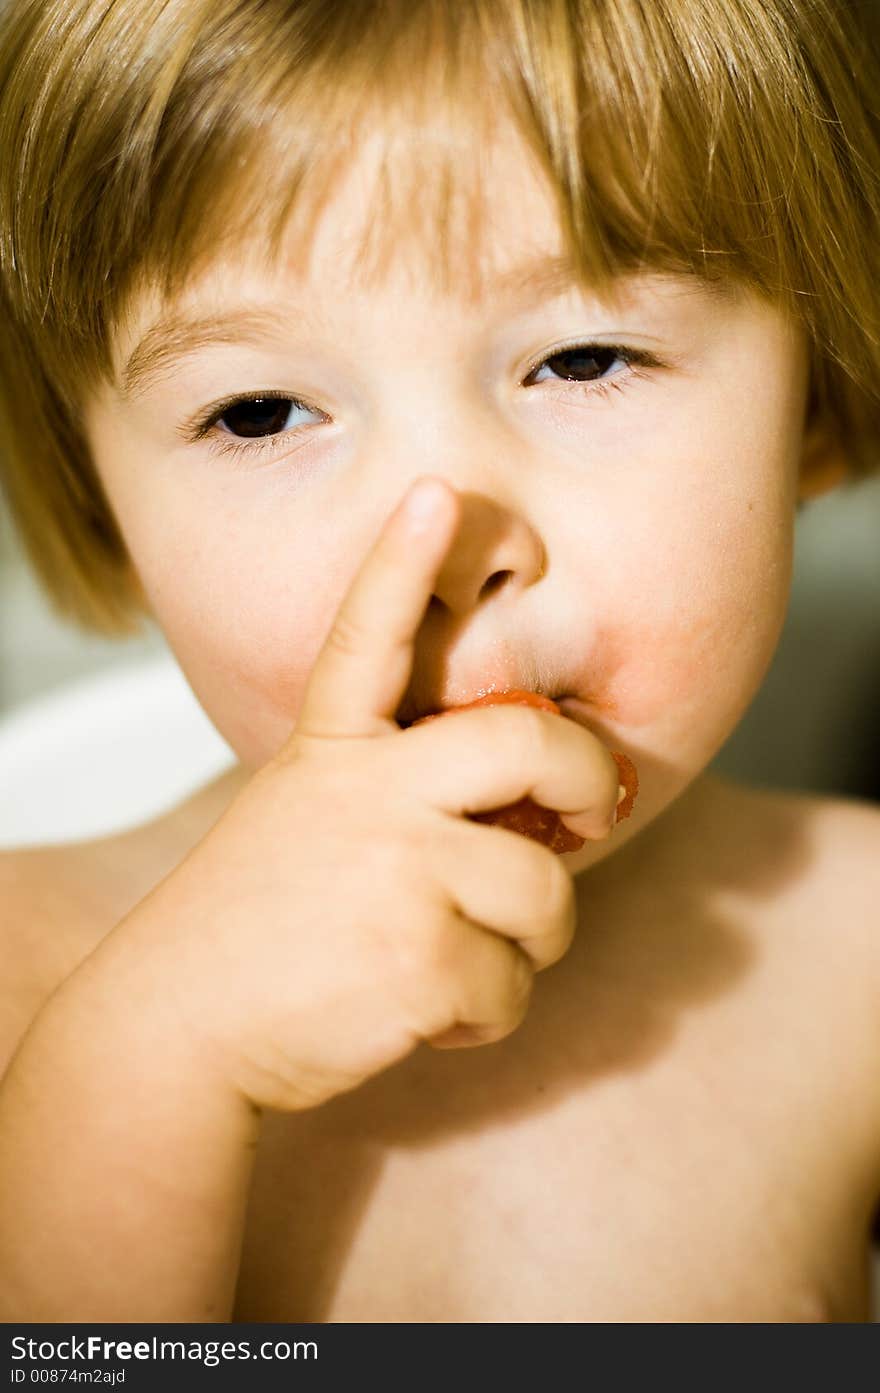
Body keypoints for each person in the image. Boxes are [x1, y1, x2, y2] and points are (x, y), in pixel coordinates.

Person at [0, 0, 878, 1323]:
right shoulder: (25, 968)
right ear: (100, 501)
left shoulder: (854, 951)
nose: (446, 543)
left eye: (584, 357)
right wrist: (148, 1067)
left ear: (811, 399)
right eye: (259, 411)